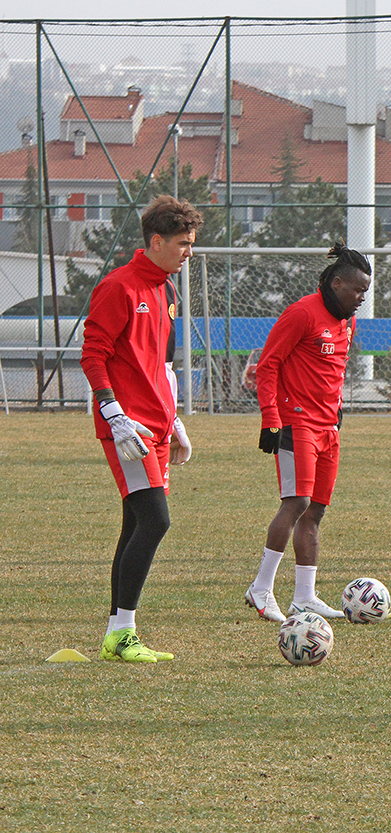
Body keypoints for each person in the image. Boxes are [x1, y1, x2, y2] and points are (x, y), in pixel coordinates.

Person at [82, 194, 201, 662]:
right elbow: (92, 356)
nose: (188, 252)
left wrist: (175, 422)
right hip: (127, 428)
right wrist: (113, 414)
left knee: (136, 521)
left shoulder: (168, 290)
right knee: (155, 520)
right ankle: (124, 631)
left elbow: (160, 365)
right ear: (156, 241)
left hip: (155, 424)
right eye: (183, 243)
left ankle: (117, 632)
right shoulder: (119, 287)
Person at [244, 242, 372, 622]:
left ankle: (304, 597)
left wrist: (337, 411)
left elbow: (333, 371)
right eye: (358, 290)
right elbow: (267, 367)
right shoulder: (300, 313)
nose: (362, 298)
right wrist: (270, 416)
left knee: (315, 510)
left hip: (328, 427)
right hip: (295, 423)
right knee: (295, 502)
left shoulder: (347, 320)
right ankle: (261, 588)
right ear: (336, 284)